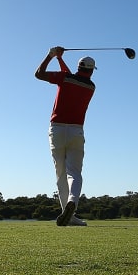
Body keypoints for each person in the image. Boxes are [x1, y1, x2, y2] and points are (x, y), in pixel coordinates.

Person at [35, 46, 96, 226]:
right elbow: (70, 77)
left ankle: (67, 212)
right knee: (74, 173)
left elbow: (39, 74)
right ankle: (72, 205)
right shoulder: (91, 86)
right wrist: (60, 59)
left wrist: (51, 55)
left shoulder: (65, 78)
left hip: (57, 130)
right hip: (76, 131)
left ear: (79, 67)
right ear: (91, 71)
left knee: (60, 174)